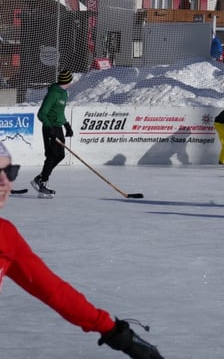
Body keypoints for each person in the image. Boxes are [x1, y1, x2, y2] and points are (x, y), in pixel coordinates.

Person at [0, 141, 164, 359]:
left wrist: (114, 332)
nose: (4, 181)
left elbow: (53, 291)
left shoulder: (5, 235)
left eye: (10, 171)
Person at [31, 70, 75, 198]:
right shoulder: (53, 93)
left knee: (60, 155)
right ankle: (43, 185)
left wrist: (66, 125)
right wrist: (49, 128)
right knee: (51, 156)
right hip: (49, 128)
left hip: (58, 127)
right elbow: (41, 113)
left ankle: (40, 178)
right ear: (67, 81)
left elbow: (59, 112)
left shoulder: (64, 93)